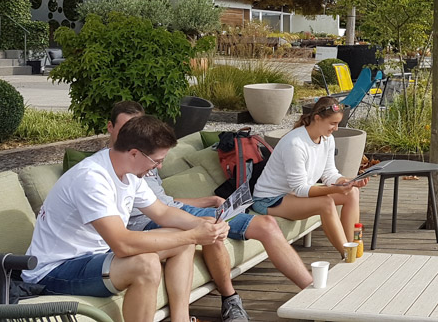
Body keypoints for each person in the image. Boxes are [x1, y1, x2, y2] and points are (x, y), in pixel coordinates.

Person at [112, 103, 312, 321]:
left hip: (171, 211)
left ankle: (313, 292)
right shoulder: (121, 166)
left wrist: (209, 200)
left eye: (136, 129)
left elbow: (162, 203)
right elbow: (147, 213)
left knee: (267, 224)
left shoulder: (145, 160)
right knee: (210, 227)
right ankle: (230, 299)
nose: (132, 136)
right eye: (125, 129)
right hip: (147, 223)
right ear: (110, 128)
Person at [23, 115, 229, 322]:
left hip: (96, 256)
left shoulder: (129, 173)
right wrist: (194, 235)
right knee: (145, 264)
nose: (158, 167)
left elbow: (162, 212)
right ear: (134, 153)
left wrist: (204, 224)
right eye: (157, 161)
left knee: (184, 239)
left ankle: (181, 320)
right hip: (54, 270)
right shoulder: (92, 179)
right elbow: (122, 244)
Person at [252, 97, 368, 257]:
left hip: (293, 194)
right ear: (317, 118)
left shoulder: (327, 139)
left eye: (338, 124)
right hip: (270, 199)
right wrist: (335, 189)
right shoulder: (295, 144)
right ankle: (347, 255)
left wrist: (347, 182)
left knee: (352, 193)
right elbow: (300, 189)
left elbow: (329, 173)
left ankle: (354, 245)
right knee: (326, 203)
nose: (336, 128)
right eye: (333, 123)